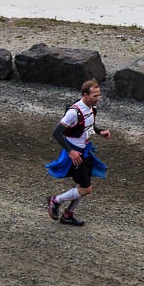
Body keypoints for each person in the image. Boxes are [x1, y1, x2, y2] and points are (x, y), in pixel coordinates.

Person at [46, 79, 111, 226]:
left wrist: (100, 132)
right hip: (75, 156)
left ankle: (68, 215)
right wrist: (71, 152)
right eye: (95, 96)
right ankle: (55, 201)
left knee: (83, 186)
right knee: (86, 188)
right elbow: (56, 133)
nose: (98, 99)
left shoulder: (91, 108)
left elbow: (89, 126)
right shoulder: (73, 112)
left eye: (99, 95)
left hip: (85, 152)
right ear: (85, 95)